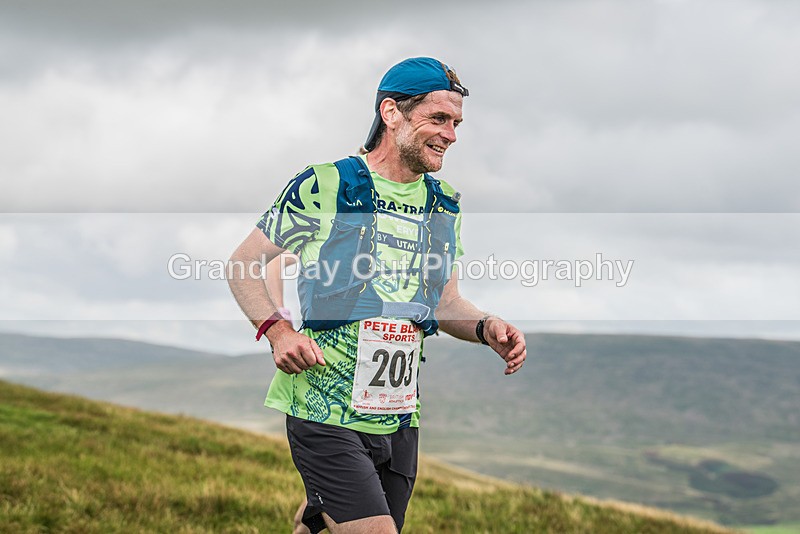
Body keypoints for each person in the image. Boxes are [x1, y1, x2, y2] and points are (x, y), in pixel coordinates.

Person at [228, 57, 527, 534]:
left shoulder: (443, 202)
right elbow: (243, 263)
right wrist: (278, 331)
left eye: (455, 123)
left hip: (398, 414)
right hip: (323, 407)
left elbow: (444, 304)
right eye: (438, 119)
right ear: (392, 113)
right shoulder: (327, 183)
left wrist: (484, 325)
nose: (450, 134)